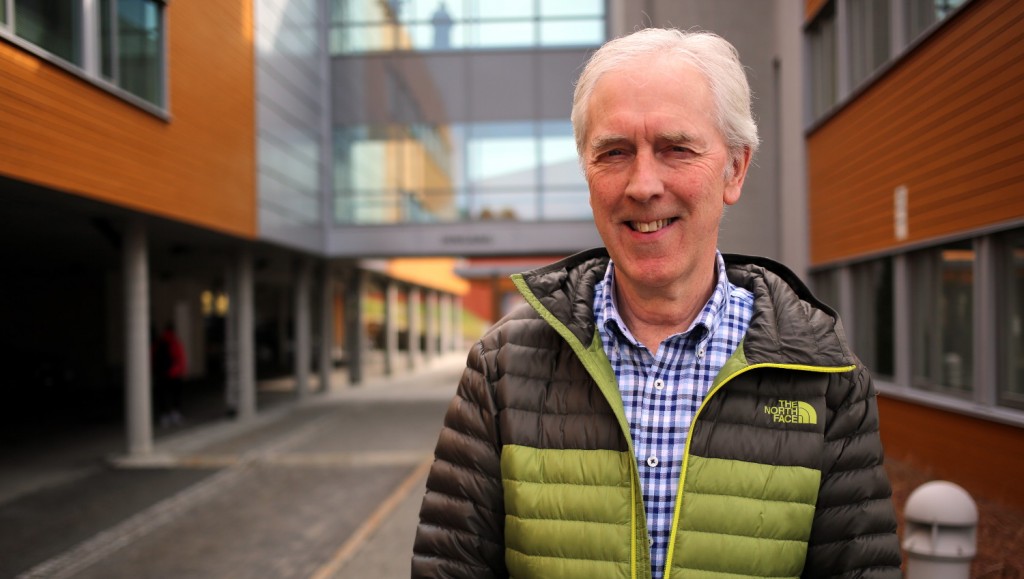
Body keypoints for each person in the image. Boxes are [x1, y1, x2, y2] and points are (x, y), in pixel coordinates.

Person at [412, 28, 901, 578]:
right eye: (614, 153)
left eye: (676, 149)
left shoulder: (824, 377)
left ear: (735, 169)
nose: (643, 185)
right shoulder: (502, 367)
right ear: (587, 173)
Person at [152, 322, 187, 427]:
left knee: (162, 396)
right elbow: (181, 358)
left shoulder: (158, 342)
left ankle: (164, 416)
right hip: (174, 374)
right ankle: (175, 414)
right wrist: (179, 371)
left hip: (161, 375)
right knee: (175, 395)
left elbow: (152, 357)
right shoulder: (174, 342)